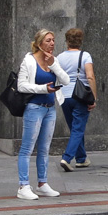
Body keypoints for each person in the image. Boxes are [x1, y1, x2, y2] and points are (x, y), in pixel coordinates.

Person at [16, 29, 70, 200]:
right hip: (34, 107)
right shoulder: (29, 61)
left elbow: (66, 80)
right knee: (27, 148)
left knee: (45, 148)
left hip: (50, 108)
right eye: (48, 40)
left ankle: (42, 184)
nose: (52, 43)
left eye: (53, 40)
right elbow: (21, 86)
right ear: (39, 43)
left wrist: (53, 64)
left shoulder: (53, 61)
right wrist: (42, 88)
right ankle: (23, 186)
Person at [56, 28, 96, 171]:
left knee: (75, 128)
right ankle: (67, 158)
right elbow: (90, 77)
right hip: (80, 96)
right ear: (81, 41)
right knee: (78, 129)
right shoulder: (85, 56)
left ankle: (81, 158)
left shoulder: (59, 57)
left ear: (67, 41)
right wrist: (93, 97)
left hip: (64, 96)